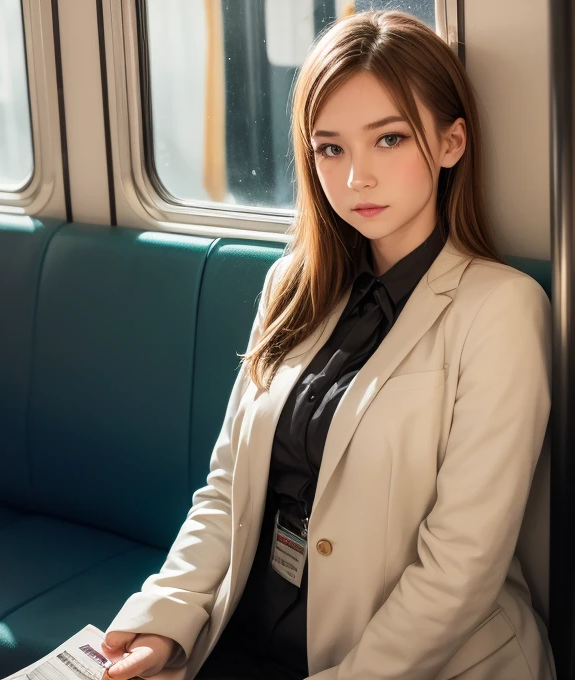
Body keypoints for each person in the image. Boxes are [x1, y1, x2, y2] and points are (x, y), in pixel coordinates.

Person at [100, 10, 554, 680]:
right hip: (258, 635)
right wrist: (165, 618)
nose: (355, 179)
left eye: (390, 139)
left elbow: (463, 565)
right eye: (331, 148)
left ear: (452, 141)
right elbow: (229, 488)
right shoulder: (293, 285)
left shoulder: (501, 310)